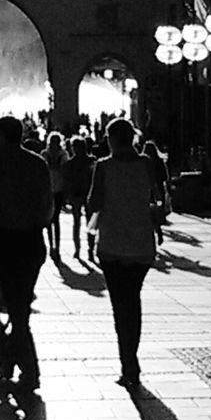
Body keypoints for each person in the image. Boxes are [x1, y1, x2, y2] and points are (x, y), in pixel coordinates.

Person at [0, 115, 53, 392]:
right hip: (33, 242)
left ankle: (29, 369)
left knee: (17, 309)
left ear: (1, 137)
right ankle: (11, 361)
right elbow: (48, 206)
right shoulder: (37, 162)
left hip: (7, 241)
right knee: (20, 305)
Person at [87, 118, 156, 390]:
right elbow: (154, 196)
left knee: (120, 306)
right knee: (133, 301)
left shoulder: (103, 167)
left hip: (113, 244)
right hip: (142, 244)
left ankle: (128, 363)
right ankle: (131, 360)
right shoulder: (147, 164)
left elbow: (94, 202)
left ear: (110, 139)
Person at [64, 135, 95, 259]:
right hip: (84, 193)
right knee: (85, 222)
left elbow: (67, 180)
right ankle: (86, 249)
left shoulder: (71, 163)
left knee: (80, 222)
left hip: (82, 193)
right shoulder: (90, 161)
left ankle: (85, 250)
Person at [43, 130, 69, 259]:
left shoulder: (59, 154)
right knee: (50, 219)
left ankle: (56, 245)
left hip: (57, 189)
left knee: (55, 218)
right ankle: (52, 244)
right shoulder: (56, 154)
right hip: (50, 188)